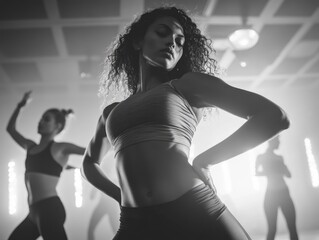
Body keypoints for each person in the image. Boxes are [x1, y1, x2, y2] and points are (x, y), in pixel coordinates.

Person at [82, 6, 290, 240]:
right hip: (135, 223)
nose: (172, 43)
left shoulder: (187, 85)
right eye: (162, 32)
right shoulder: (112, 112)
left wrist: (205, 160)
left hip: (193, 210)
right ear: (138, 41)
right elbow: (89, 163)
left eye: (180, 41)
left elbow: (274, 117)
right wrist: (119, 195)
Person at [6, 91, 86, 240]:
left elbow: (89, 151)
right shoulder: (30, 146)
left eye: (46, 119)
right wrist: (20, 106)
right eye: (41, 118)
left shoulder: (60, 148)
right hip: (33, 212)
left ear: (58, 126)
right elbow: (10, 129)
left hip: (49, 209)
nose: (40, 121)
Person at [255, 136, 299, 240]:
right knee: (272, 228)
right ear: (272, 141)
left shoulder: (280, 158)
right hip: (271, 195)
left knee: (292, 227)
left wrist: (282, 169)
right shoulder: (261, 157)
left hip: (283, 193)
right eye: (278, 141)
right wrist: (273, 171)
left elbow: (289, 175)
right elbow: (256, 173)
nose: (279, 143)